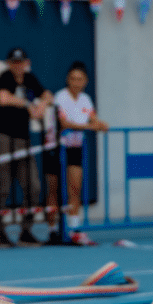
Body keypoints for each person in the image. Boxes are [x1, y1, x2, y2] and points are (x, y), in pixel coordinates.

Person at [0, 47, 52, 248]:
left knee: (33, 186)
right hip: (3, 137)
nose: (18, 66)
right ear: (9, 64)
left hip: (23, 139)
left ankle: (26, 230)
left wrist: (41, 105)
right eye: (14, 62)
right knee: (3, 186)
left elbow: (48, 95)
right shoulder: (4, 77)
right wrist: (27, 104)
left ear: (26, 62)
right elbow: (3, 98)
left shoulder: (30, 78)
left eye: (21, 62)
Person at [45, 61, 108, 246]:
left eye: (80, 79)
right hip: (54, 147)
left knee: (74, 188)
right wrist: (89, 126)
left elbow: (94, 120)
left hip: (74, 148)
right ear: (67, 80)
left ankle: (74, 229)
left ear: (85, 81)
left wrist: (101, 124)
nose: (76, 82)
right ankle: (52, 231)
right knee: (53, 190)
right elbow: (63, 123)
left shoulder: (86, 100)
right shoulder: (60, 97)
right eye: (72, 78)